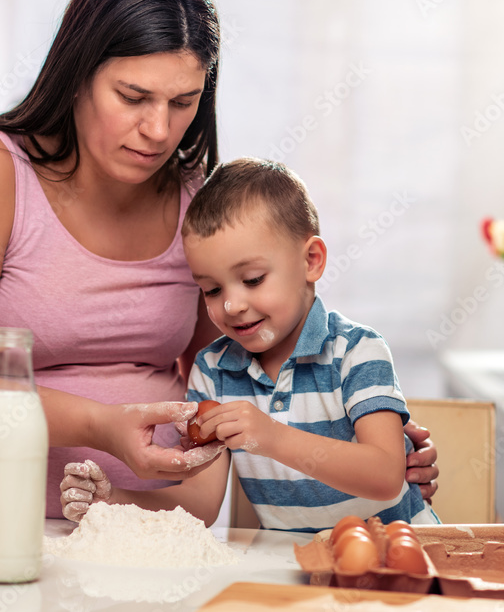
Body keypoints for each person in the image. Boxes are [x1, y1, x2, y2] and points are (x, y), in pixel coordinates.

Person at [0, 0, 438, 520]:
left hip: (142, 526)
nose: (158, 131)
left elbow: (239, 366)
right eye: (133, 97)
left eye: (183, 102)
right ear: (76, 75)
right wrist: (100, 426)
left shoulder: (193, 201)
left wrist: (366, 442)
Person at [60, 158, 440, 532]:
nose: (232, 305)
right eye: (211, 289)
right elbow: (201, 504)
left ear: (311, 260)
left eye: (253, 279)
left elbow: (386, 476)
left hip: (400, 555)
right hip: (290, 567)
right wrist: (114, 501)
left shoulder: (358, 352)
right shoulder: (213, 371)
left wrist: (271, 436)